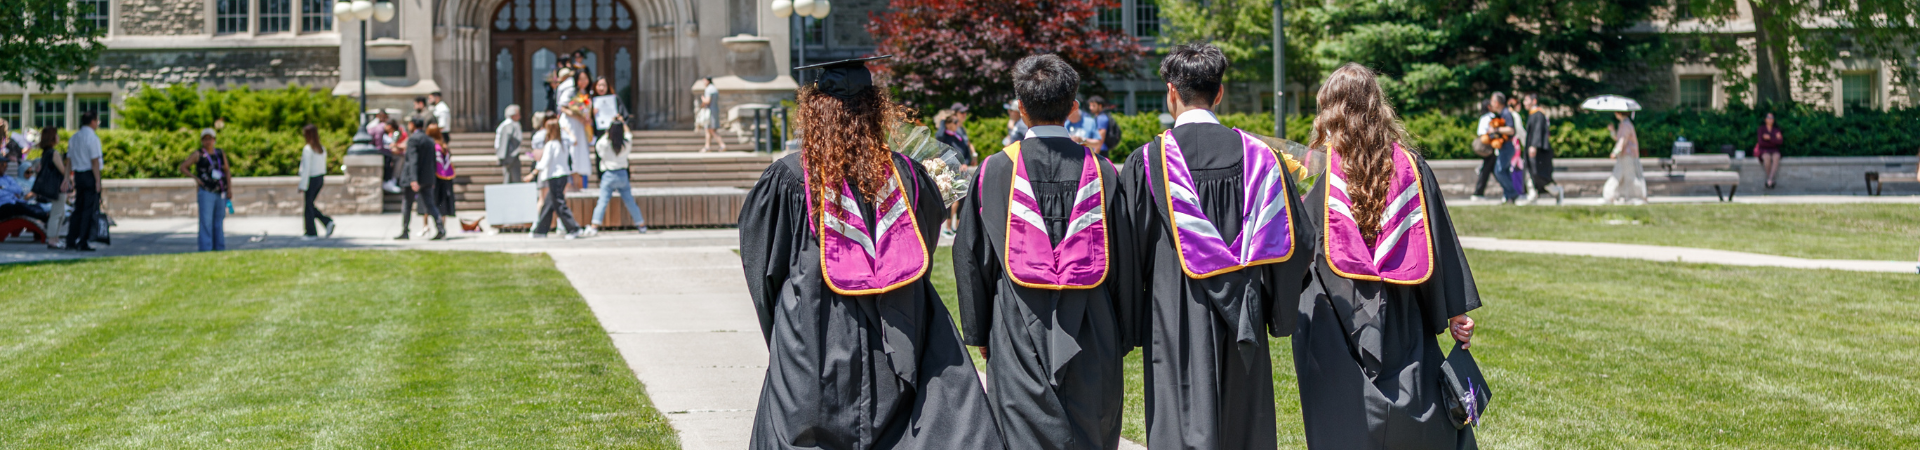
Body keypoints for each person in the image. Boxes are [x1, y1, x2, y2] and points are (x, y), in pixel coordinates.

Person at [738, 55, 1003, 449]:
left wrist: (784, 330)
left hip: (814, 331)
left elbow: (764, 269)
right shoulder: (908, 176)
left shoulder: (789, 179)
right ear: (876, 109)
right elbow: (922, 250)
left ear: (814, 113)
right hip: (897, 333)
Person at [1115, 43, 1312, 450]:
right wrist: (1274, 309)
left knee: (1179, 413)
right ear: (1219, 93)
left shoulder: (1147, 161)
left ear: (1171, 91)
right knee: (1245, 422)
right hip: (1245, 311)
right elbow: (1299, 241)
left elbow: (1126, 251)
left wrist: (1133, 322)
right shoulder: (1262, 158)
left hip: (1172, 311)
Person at [1292, 62, 1483, 450]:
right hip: (1404, 311)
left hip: (1340, 319)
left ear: (1331, 112)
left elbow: (1302, 253)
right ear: (1378, 108)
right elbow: (1439, 242)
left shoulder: (1323, 177)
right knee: (1417, 408)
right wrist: (1455, 311)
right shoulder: (1411, 167)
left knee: (1347, 419)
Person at [954, 54, 1136, 450]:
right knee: (1091, 426)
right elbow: (1125, 258)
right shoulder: (1102, 171)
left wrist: (980, 329)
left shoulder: (994, 170)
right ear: (1073, 107)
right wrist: (1123, 329)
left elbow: (972, 256)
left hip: (1018, 321)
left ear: (1020, 108)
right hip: (1092, 321)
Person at [526, 114, 582, 239]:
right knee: (549, 204)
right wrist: (567, 130)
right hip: (562, 175)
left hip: (555, 176)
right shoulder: (562, 144)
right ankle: (540, 231)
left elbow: (545, 162)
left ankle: (573, 229)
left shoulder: (551, 145)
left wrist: (533, 173)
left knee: (559, 204)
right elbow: (573, 141)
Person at [587, 119, 644, 235]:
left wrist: (609, 129)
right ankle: (641, 224)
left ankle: (594, 226)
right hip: (622, 174)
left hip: (609, 174)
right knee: (630, 201)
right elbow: (629, 135)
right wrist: (623, 123)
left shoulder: (605, 144)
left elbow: (599, 146)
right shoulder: (626, 143)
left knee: (602, 201)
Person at [177, 128, 231, 251]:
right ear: (202, 141)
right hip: (206, 191)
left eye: (210, 139)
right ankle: (206, 248)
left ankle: (219, 248)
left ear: (214, 140)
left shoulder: (220, 153)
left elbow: (227, 171)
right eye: (205, 139)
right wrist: (195, 178)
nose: (208, 141)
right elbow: (183, 167)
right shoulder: (198, 154)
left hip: (220, 191)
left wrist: (229, 189)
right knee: (206, 222)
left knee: (219, 221)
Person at [66, 112, 105, 252]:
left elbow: (69, 161)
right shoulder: (92, 138)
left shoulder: (74, 137)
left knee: (78, 208)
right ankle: (83, 241)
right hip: (89, 175)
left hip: (78, 175)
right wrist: (98, 181)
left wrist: (67, 178)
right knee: (88, 209)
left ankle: (71, 239)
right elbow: (95, 161)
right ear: (93, 122)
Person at [1475, 93, 1523, 203]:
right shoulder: (1501, 114)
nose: (1490, 104)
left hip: (1507, 146)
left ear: (1496, 103)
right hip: (1503, 146)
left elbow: (1511, 130)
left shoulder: (1506, 113)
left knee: (1499, 171)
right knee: (1504, 171)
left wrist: (1496, 130)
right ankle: (1509, 196)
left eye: (1492, 101)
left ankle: (1512, 193)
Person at [405, 118, 447, 239]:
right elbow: (432, 161)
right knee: (430, 205)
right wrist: (432, 178)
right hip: (428, 178)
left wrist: (413, 179)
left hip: (415, 178)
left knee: (407, 205)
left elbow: (413, 160)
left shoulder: (413, 139)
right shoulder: (429, 140)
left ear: (412, 125)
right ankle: (441, 228)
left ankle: (405, 230)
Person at [30, 127, 68, 249]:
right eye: (56, 135)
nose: (58, 137)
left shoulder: (46, 153)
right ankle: (52, 239)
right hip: (57, 187)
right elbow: (62, 170)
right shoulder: (54, 153)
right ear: (52, 137)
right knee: (57, 213)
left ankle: (55, 239)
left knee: (59, 213)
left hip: (52, 187)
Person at [298, 124, 336, 240]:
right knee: (309, 205)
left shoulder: (308, 149)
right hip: (319, 178)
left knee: (308, 206)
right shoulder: (321, 149)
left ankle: (311, 233)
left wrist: (302, 185)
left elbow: (306, 169)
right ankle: (327, 222)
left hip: (311, 179)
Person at [1603, 111, 1647, 205]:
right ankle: (1611, 195)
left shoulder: (1626, 125)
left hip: (1628, 155)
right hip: (1624, 155)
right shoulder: (1623, 124)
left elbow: (1623, 140)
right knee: (1618, 175)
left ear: (1619, 113)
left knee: (1628, 176)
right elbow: (1619, 139)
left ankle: (1637, 196)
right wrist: (1612, 130)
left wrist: (1615, 152)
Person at [1522, 93, 1560, 204]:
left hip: (1538, 151)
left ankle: (1557, 191)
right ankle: (1532, 195)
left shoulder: (1538, 114)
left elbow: (1538, 131)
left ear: (1534, 101)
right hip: (1532, 149)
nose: (1524, 103)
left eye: (1526, 100)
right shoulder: (1532, 114)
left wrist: (1534, 146)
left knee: (1538, 173)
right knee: (1530, 172)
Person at [0, 157, 48, 222]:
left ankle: (44, 217)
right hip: (3, 206)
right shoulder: (14, 180)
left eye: (6, 165)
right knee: (18, 207)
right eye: (3, 164)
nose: (5, 167)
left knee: (33, 205)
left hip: (14, 202)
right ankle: (43, 217)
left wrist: (4, 187)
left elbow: (18, 190)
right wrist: (11, 192)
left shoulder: (8, 178)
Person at [427, 124, 456, 222]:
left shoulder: (434, 146)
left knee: (434, 201)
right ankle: (442, 225)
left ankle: (433, 226)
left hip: (436, 177)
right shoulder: (443, 145)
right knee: (443, 202)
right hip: (446, 176)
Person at [496, 104, 525, 182]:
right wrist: (502, 157)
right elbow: (503, 143)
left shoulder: (512, 125)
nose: (520, 117)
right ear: (513, 115)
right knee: (511, 179)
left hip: (511, 156)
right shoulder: (508, 126)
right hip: (510, 157)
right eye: (518, 114)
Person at [1755, 113, 1784, 189]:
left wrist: (1769, 138)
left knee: (1776, 157)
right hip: (1764, 150)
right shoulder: (1761, 129)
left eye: (1772, 118)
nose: (1771, 119)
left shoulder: (1776, 130)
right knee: (1766, 158)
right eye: (1769, 118)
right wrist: (1774, 139)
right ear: (1765, 119)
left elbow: (1780, 142)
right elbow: (1761, 142)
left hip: (1774, 150)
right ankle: (1771, 180)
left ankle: (1769, 179)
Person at [699, 77, 722, 152]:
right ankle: (707, 146)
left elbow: (707, 101)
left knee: (711, 130)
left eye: (704, 81)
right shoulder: (714, 88)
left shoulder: (708, 89)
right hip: (714, 111)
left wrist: (702, 99)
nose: (703, 82)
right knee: (708, 129)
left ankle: (722, 145)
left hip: (710, 112)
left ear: (708, 81)